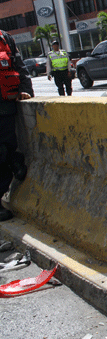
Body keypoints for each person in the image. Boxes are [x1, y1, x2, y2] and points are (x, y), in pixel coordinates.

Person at [0, 30, 33, 222]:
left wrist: (25, 90)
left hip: (5, 105)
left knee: (6, 148)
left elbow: (20, 67)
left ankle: (14, 160)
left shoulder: (6, 38)